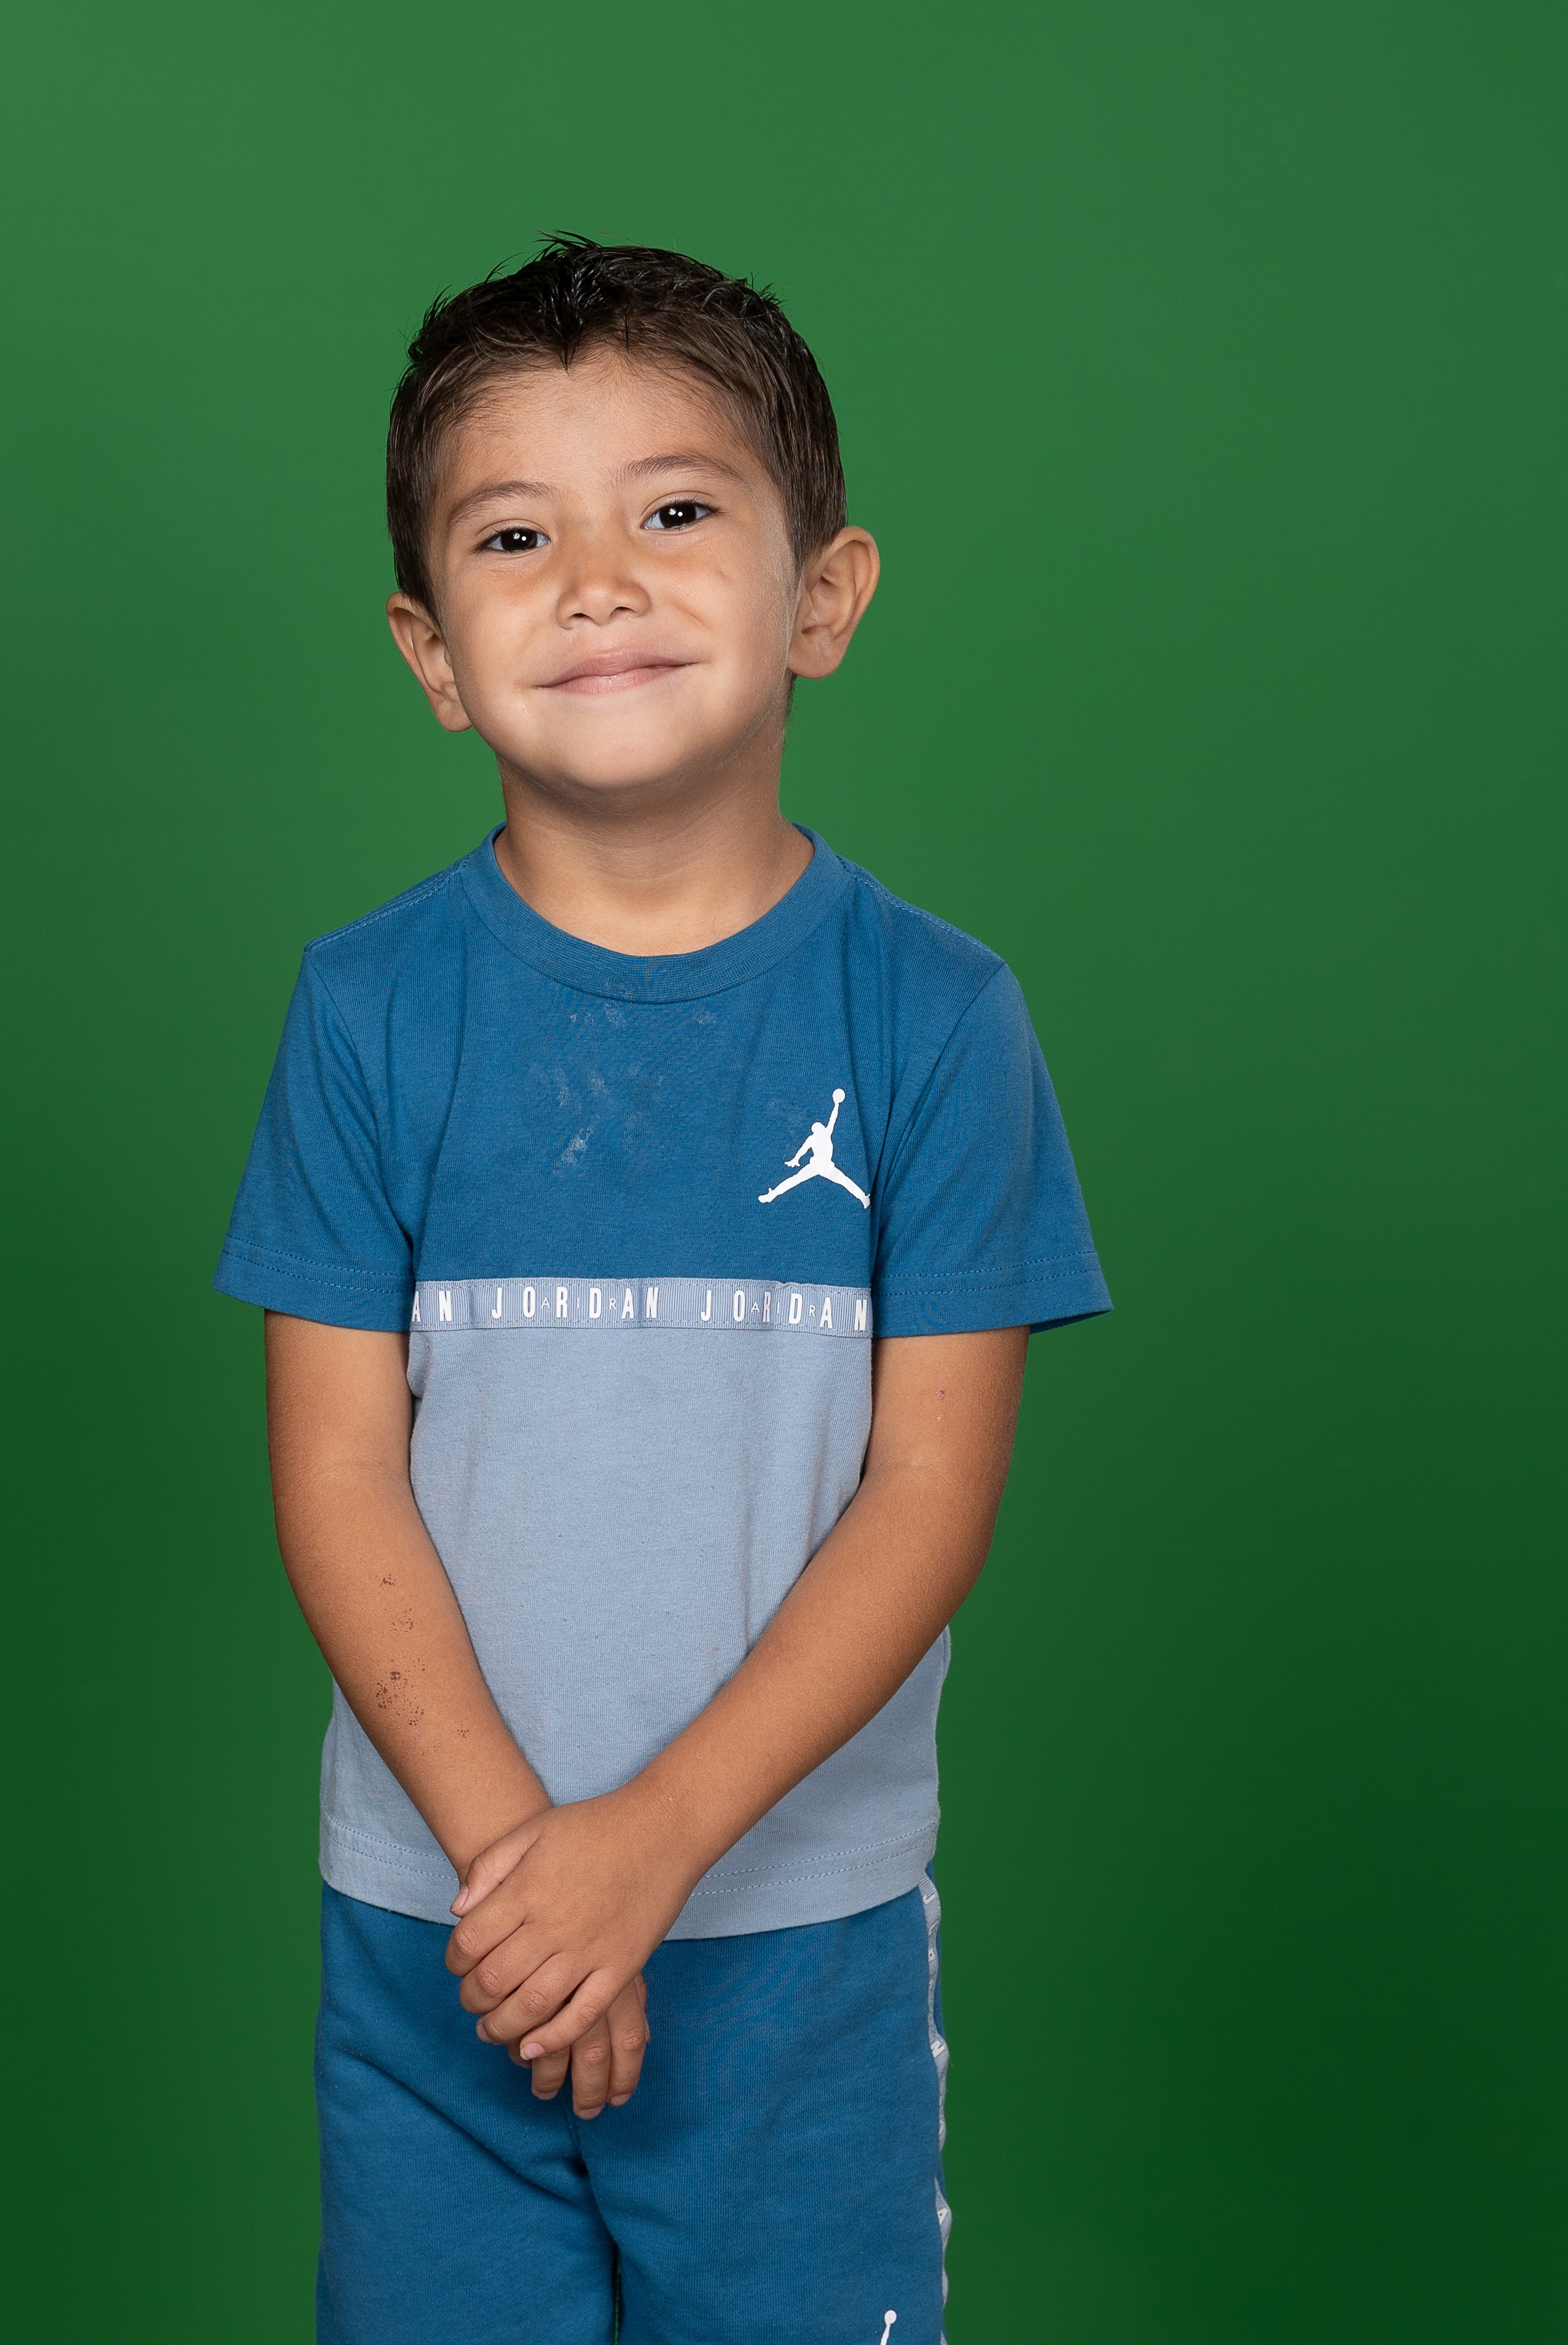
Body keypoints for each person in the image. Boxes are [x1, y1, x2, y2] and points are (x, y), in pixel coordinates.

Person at [214, 237, 1109, 2345]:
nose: (597, 583)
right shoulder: (367, 1011)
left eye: (677, 510)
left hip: (798, 1948)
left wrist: (652, 1849)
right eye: (515, 536)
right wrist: (524, 1872)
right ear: (434, 653)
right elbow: (338, 1479)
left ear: (825, 596)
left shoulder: (937, 1020)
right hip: (446, 1934)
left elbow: (927, 1499)